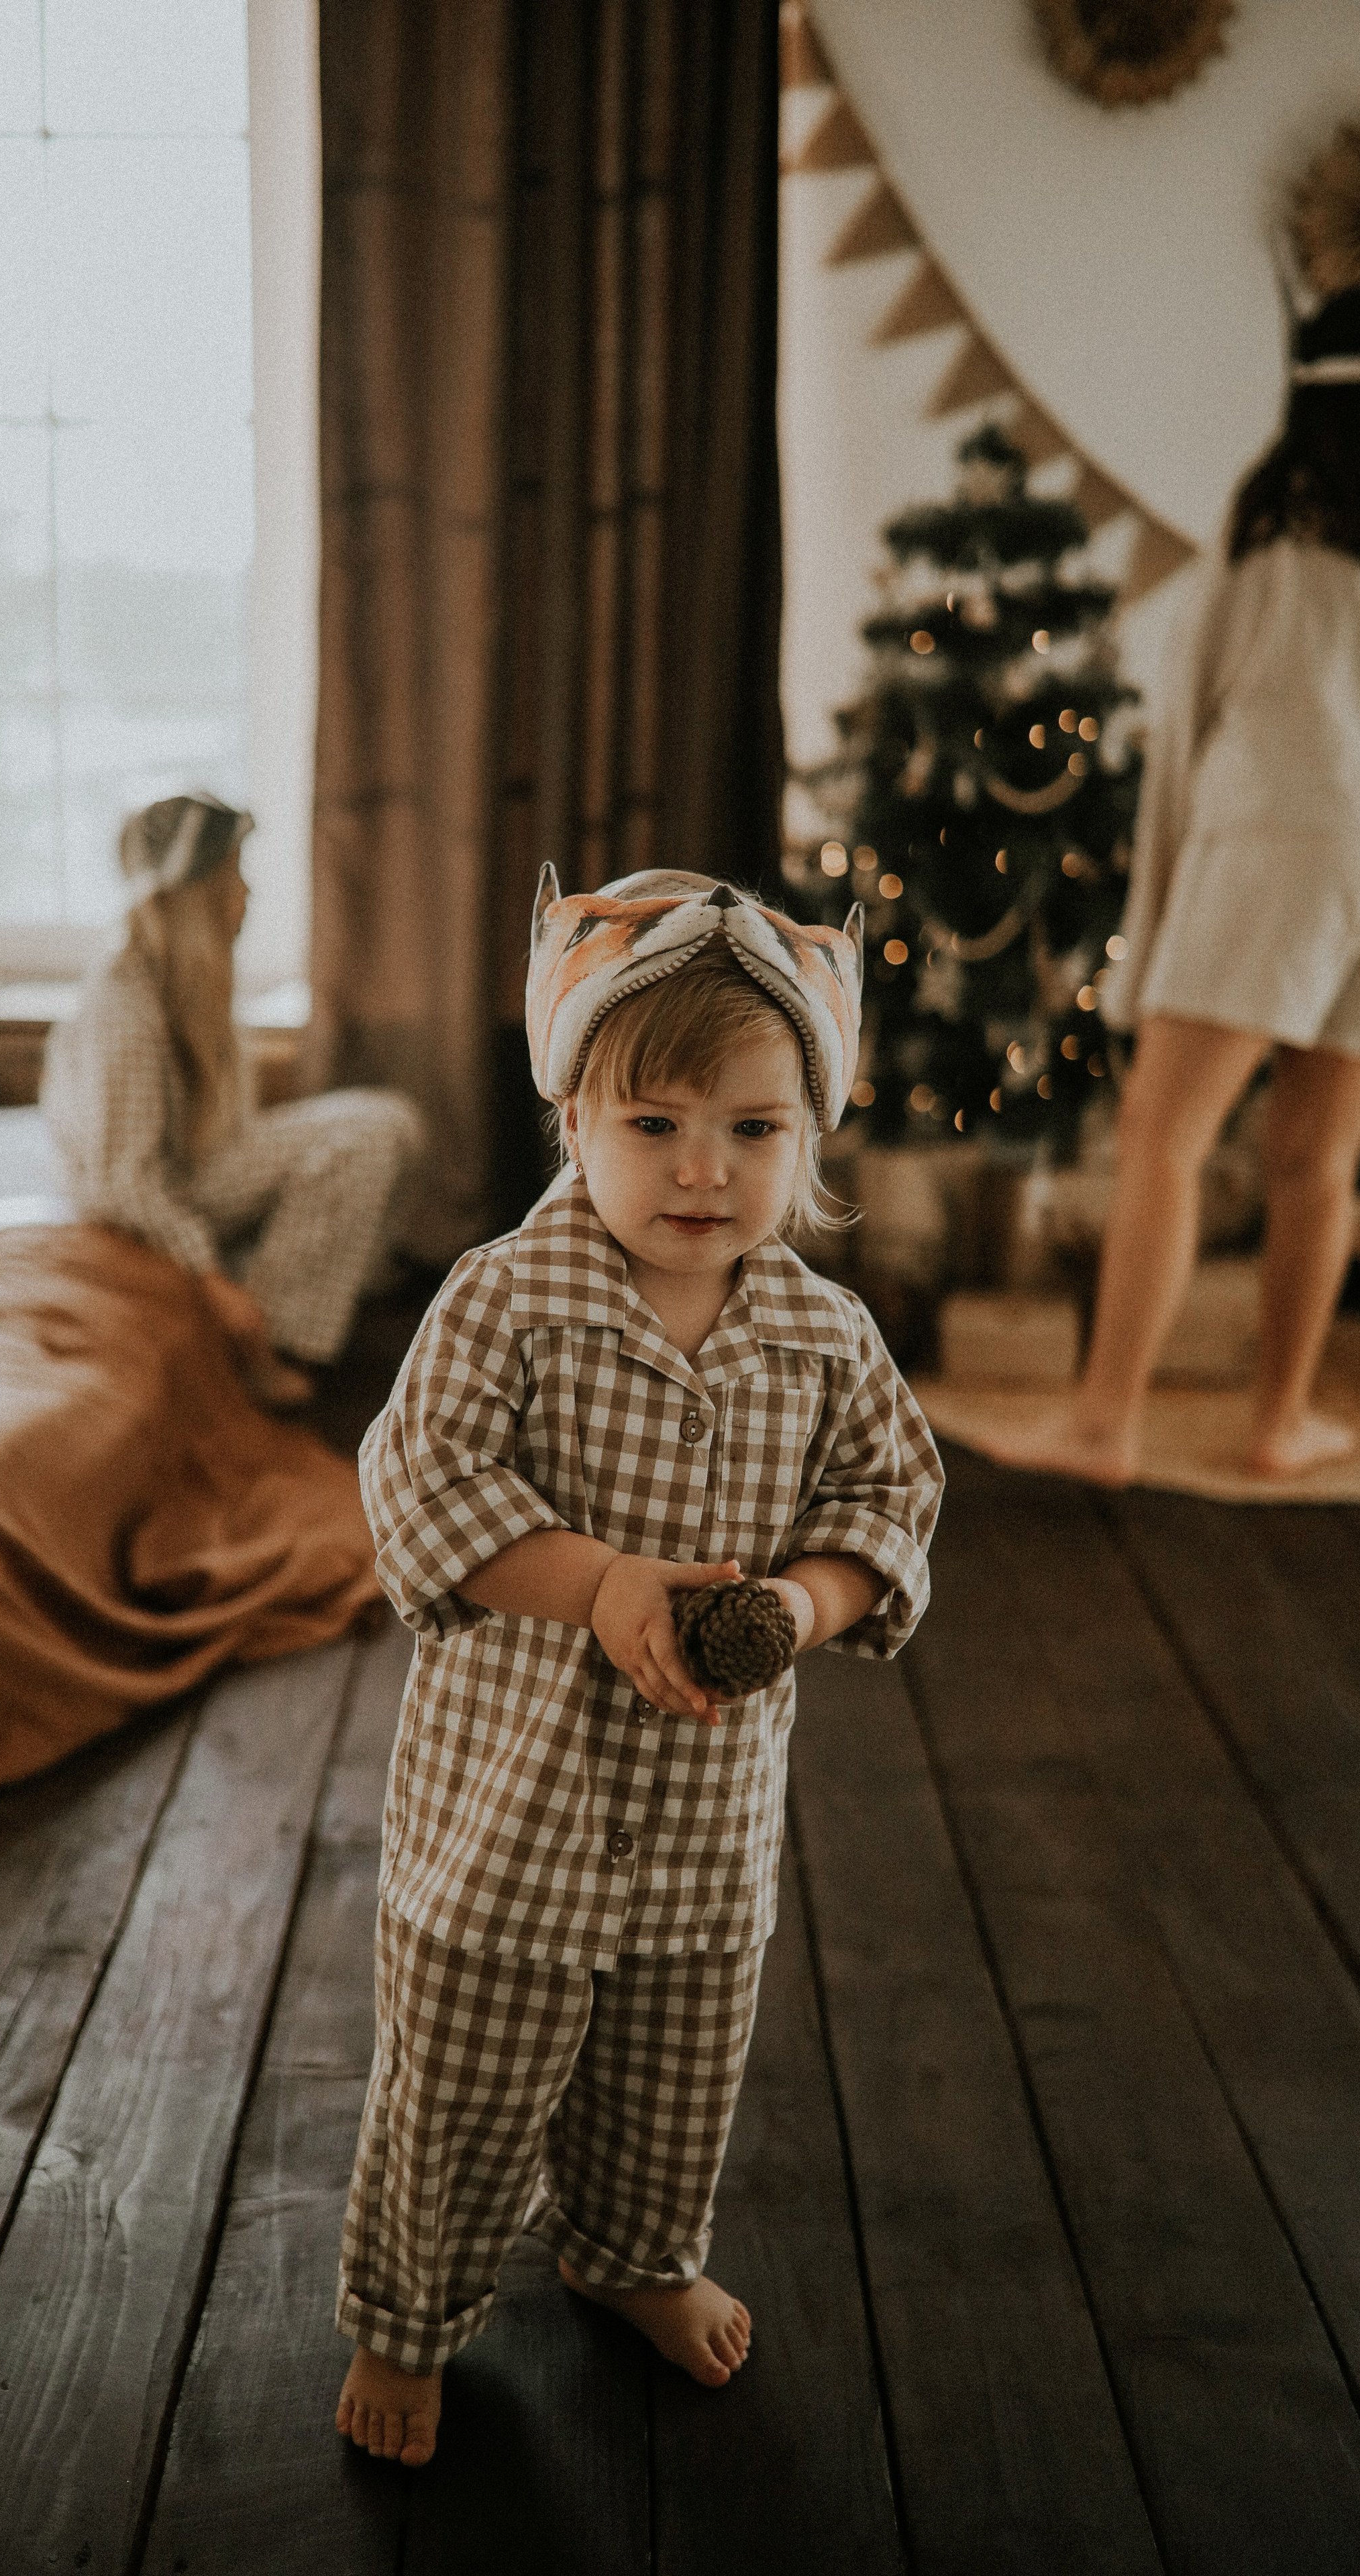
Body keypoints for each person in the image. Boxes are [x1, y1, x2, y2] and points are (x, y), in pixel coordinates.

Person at [333, 867, 943, 2467]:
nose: (703, 1167)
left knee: (671, 2078)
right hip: (507, 1828)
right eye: (655, 1121)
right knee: (459, 2090)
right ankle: (408, 2315)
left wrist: (803, 1605)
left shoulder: (822, 1336)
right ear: (571, 1121)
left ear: (809, 1135)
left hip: (699, 1827)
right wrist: (595, 1581)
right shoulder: (504, 1300)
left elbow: (887, 1497)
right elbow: (420, 1482)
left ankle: (630, 2255)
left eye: (753, 1128)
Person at [1006, 281, 1360, 1486]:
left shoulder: (1270, 546)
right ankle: (1277, 1421)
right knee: (1317, 1158)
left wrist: (1159, 911)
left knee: (1163, 1136)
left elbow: (1184, 731)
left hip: (1281, 842)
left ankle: (1103, 1422)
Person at [42, 793, 423, 1405]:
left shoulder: (185, 976)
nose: (248, 893)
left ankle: (294, 1316)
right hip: (146, 1193)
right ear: (197, 892)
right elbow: (126, 1181)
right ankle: (261, 1348)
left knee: (391, 1121)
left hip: (195, 1168)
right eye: (235, 875)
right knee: (367, 1133)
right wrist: (213, 1284)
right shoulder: (125, 1000)